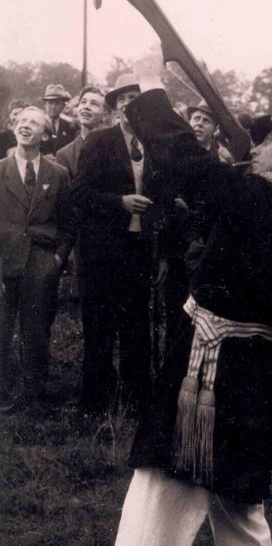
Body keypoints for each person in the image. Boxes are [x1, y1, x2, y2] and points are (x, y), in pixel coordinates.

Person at [114, 47, 272, 546]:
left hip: (210, 377)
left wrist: (150, 88)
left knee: (159, 498)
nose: (259, 144)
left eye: (271, 137)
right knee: (239, 512)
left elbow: (193, 168)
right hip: (250, 377)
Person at [71, 74, 171, 414]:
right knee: (99, 326)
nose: (130, 104)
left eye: (136, 97)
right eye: (123, 98)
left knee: (136, 327)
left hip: (139, 250)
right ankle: (95, 401)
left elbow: (164, 202)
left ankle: (135, 398)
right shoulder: (100, 141)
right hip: (102, 251)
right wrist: (120, 202)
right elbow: (80, 194)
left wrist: (161, 255)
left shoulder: (155, 146)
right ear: (114, 107)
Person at [0, 106, 74, 411]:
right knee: (2, 326)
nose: (25, 126)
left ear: (45, 135)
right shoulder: (0, 168)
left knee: (37, 327)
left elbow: (69, 221)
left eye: (34, 123)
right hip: (4, 260)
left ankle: (33, 392)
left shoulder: (57, 173)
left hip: (41, 260)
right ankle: (3, 390)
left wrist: (58, 258)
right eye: (22, 121)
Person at [56, 86, 107, 179]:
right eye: (83, 102)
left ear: (105, 115)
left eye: (94, 104)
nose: (86, 106)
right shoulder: (65, 155)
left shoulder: (116, 147)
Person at [41, 84, 77, 156]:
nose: (53, 107)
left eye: (57, 103)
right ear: (44, 105)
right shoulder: (39, 124)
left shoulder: (71, 126)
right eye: (50, 103)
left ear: (63, 106)